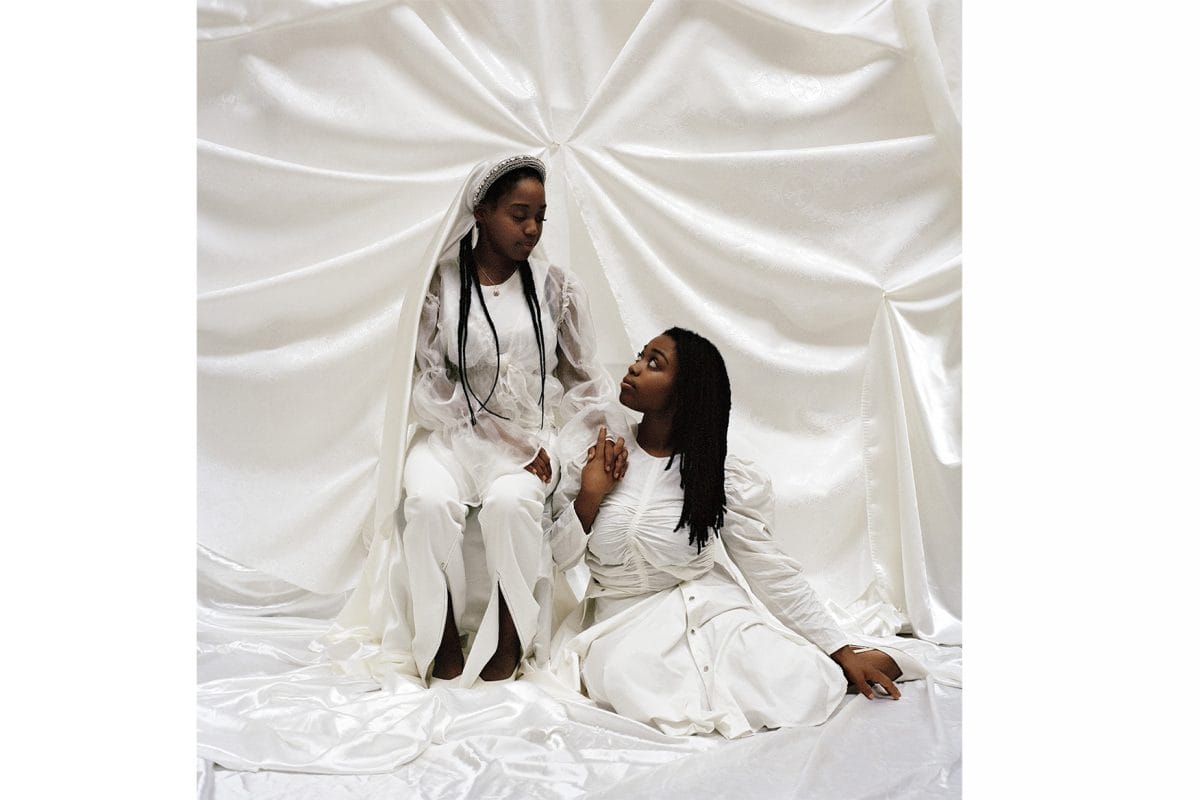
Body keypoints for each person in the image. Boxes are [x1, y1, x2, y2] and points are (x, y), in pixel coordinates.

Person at [540, 327, 927, 737]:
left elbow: (768, 569)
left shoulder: (718, 477)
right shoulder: (601, 451)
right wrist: (590, 494)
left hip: (711, 613)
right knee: (628, 679)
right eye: (641, 355)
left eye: (655, 363)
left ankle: (852, 662)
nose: (634, 367)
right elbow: (558, 558)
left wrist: (839, 648)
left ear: (686, 392)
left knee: (792, 682)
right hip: (620, 624)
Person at [328, 155, 612, 686]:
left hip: (530, 437)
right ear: (480, 212)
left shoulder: (556, 290)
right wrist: (502, 440)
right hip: (451, 439)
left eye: (540, 217)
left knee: (512, 503)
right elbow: (429, 384)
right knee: (430, 502)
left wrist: (593, 441)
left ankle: (510, 637)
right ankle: (438, 637)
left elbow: (585, 380)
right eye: (518, 214)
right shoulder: (442, 285)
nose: (531, 229)